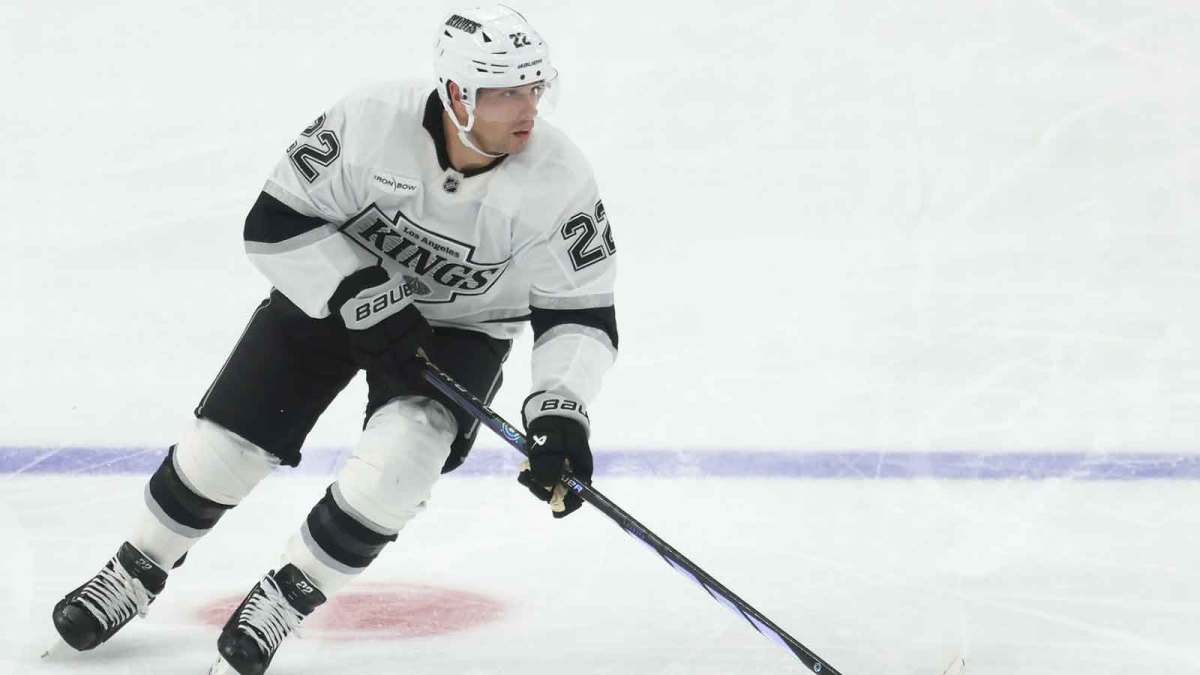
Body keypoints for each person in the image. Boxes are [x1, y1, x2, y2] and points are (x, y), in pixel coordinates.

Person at [47, 5, 618, 674]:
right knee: (223, 452)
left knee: (400, 465)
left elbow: (581, 310)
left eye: (534, 87)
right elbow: (274, 220)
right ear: (457, 95)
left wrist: (559, 413)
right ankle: (133, 569)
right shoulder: (372, 119)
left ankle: (284, 599)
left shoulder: (561, 179)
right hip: (333, 292)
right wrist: (358, 294)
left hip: (463, 326)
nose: (527, 108)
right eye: (504, 92)